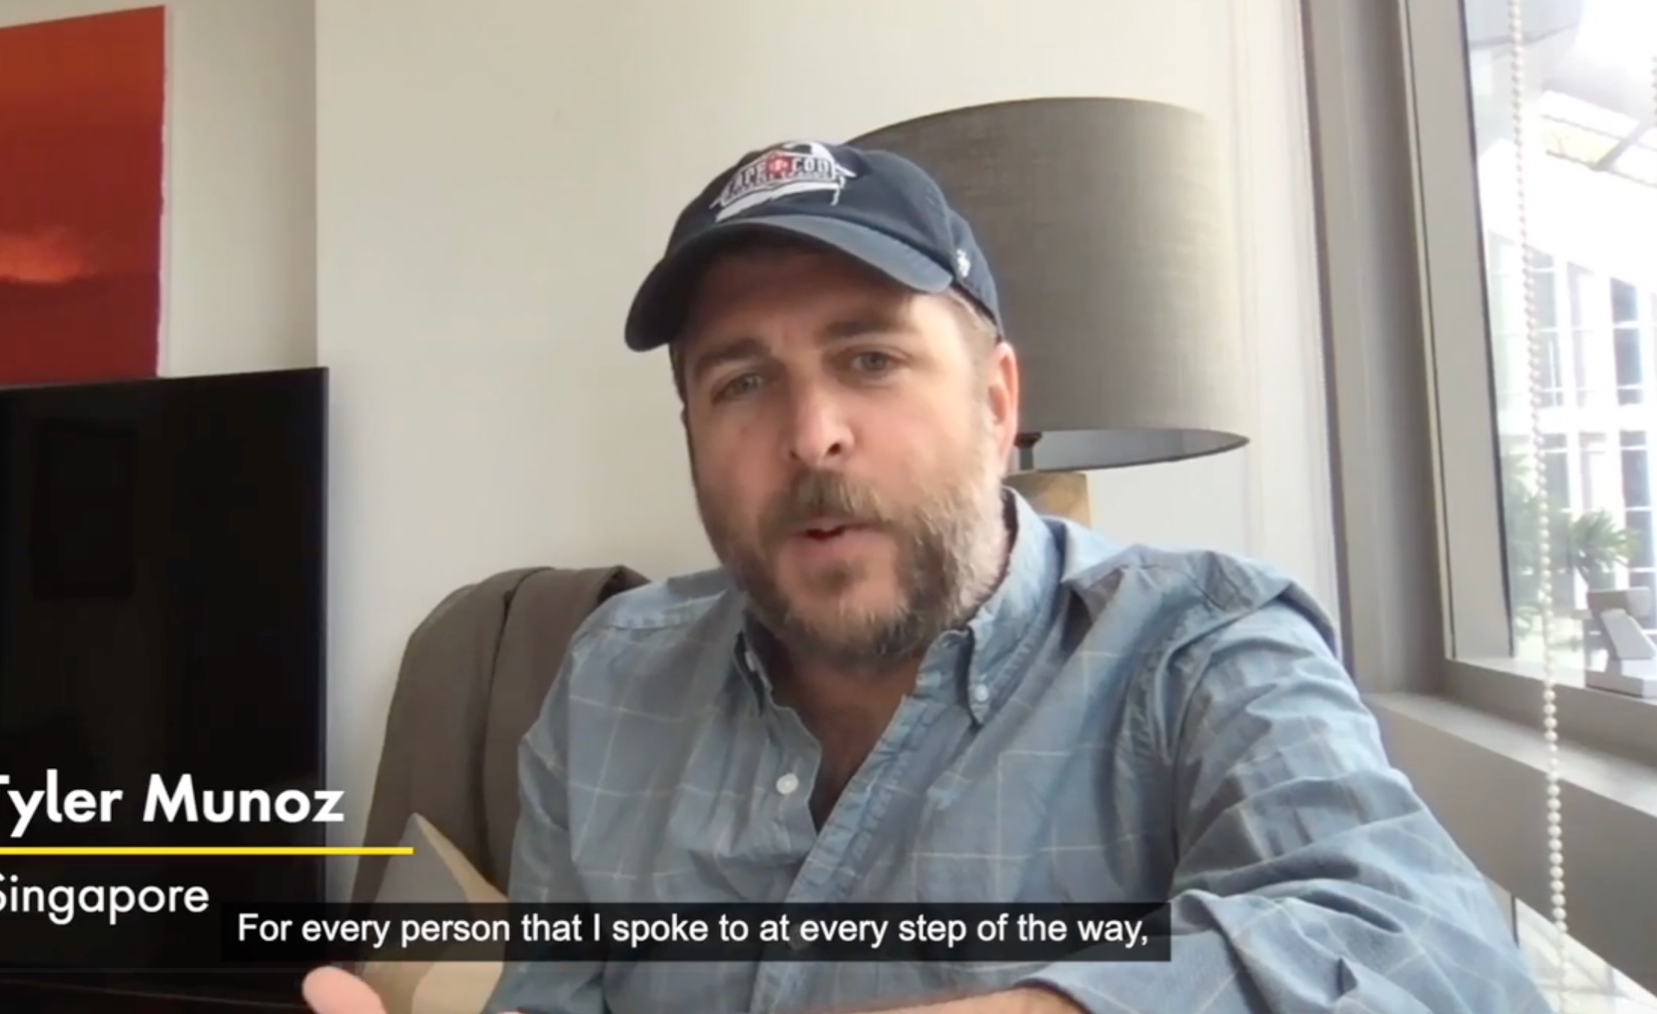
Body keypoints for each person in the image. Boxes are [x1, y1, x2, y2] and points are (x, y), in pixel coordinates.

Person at [301, 141, 1551, 1014]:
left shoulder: (1201, 645)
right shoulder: (612, 675)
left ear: (999, 403)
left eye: (873, 360)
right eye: (740, 383)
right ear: (691, 434)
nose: (811, 435)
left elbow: (1435, 965)